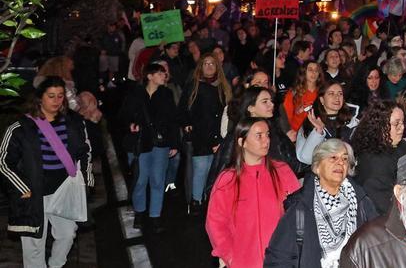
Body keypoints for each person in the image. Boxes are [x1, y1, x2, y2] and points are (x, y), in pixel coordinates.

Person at [1, 77, 93, 268]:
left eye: (60, 96)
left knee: (67, 235)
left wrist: (86, 179)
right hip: (33, 193)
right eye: (51, 96)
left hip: (64, 189)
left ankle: (56, 265)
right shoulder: (21, 127)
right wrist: (22, 188)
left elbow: (85, 151)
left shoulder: (73, 122)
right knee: (34, 244)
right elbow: (3, 162)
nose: (56, 100)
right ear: (39, 98)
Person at [265, 139, 379, 268]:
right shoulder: (300, 207)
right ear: (317, 167)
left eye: (345, 159)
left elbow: (379, 245)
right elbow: (279, 258)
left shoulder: (361, 202)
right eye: (333, 157)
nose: (340, 163)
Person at [207, 118, 302, 268]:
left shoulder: (282, 171)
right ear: (242, 142)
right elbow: (215, 223)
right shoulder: (228, 179)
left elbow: (299, 213)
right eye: (259, 136)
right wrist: (230, 256)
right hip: (243, 262)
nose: (266, 140)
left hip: (281, 260)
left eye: (267, 134)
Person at [119, 61, 181, 231]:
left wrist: (174, 143)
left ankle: (155, 216)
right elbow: (124, 114)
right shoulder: (135, 94)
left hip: (161, 143)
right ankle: (139, 212)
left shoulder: (166, 94)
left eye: (164, 73)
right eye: (160, 73)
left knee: (157, 180)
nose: (164, 76)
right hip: (141, 143)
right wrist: (131, 123)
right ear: (150, 76)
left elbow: (173, 120)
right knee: (140, 179)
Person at [208, 86, 300, 195]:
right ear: (251, 107)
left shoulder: (274, 130)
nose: (271, 104)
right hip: (246, 193)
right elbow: (223, 168)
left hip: (276, 191)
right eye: (265, 101)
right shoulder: (239, 133)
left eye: (271, 101)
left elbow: (293, 162)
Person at [180, 52, 232, 215]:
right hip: (200, 134)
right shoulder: (193, 85)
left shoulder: (224, 86)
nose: (209, 67)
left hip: (219, 134)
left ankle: (210, 201)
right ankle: (197, 201)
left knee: (215, 170)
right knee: (201, 168)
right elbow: (182, 107)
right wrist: (186, 123)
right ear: (200, 67)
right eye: (206, 64)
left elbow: (230, 109)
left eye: (212, 64)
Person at [350, 101, 406, 213]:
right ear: (380, 125)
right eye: (396, 124)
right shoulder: (373, 161)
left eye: (403, 123)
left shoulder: (403, 147)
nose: (402, 128)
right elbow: (384, 205)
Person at [297, 80, 361, 165]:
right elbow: (305, 158)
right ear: (322, 99)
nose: (337, 97)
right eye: (331, 93)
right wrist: (318, 132)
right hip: (321, 174)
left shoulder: (353, 122)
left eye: (340, 94)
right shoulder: (310, 123)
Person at [284, 61, 323, 133]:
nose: (314, 73)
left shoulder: (323, 92)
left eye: (316, 70)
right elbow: (286, 117)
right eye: (310, 70)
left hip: (318, 132)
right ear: (303, 72)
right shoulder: (293, 92)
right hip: (297, 132)